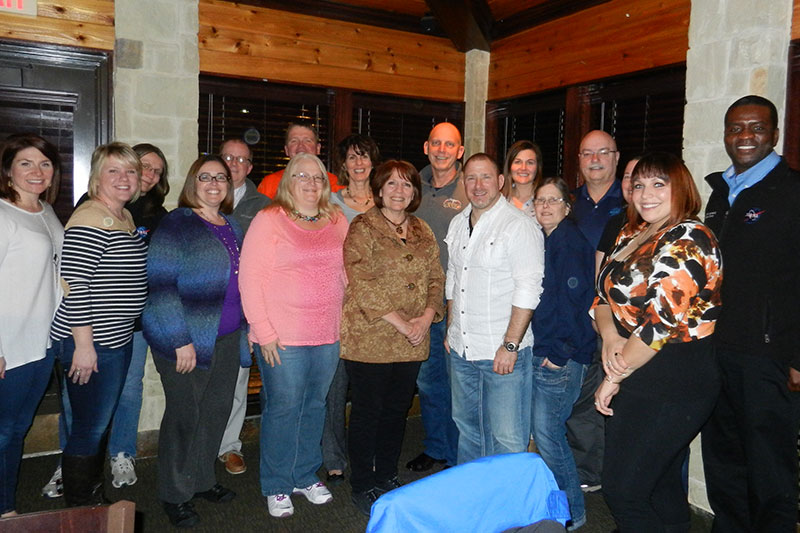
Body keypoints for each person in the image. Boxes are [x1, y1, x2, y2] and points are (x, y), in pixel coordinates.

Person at [593, 152, 722, 532]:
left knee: (623, 492)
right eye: (638, 185)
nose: (645, 194)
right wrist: (610, 336)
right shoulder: (631, 233)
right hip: (637, 365)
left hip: (677, 376)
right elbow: (600, 296)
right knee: (660, 483)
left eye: (658, 184)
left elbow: (658, 325)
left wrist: (613, 376)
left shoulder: (690, 237)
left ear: (680, 188)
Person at [701, 95, 800, 532]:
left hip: (767, 357)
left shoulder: (792, 191)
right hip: (714, 351)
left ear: (774, 134)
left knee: (770, 469)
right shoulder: (720, 194)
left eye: (756, 127)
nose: (745, 137)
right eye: (736, 128)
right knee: (723, 461)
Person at [240, 152, 348, 518]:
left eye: (318, 177)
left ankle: (304, 474)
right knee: (284, 409)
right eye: (302, 175)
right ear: (288, 180)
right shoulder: (270, 219)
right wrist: (262, 331)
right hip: (283, 336)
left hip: (328, 333)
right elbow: (249, 279)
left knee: (315, 406)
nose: (311, 183)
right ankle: (276, 483)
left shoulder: (336, 219)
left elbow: (346, 272)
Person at [143, 154, 245, 528]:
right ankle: (174, 493)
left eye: (221, 177)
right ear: (192, 183)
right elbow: (160, 285)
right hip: (183, 339)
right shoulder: (177, 223)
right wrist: (179, 339)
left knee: (215, 411)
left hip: (227, 335)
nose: (214, 183)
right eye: (205, 177)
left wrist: (245, 332)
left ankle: (202, 480)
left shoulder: (230, 225)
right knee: (185, 415)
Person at [340, 160, 445, 516]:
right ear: (379, 189)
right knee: (368, 412)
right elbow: (361, 280)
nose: (400, 191)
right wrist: (403, 323)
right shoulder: (363, 226)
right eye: (392, 185)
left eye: (407, 185)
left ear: (415, 191)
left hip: (414, 338)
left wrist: (427, 317)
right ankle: (361, 483)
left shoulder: (422, 229)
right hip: (371, 338)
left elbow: (436, 278)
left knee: (396, 412)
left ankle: (385, 476)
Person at [49, 142, 148, 507]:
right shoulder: (91, 217)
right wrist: (84, 346)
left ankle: (91, 500)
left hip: (116, 340)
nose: (124, 178)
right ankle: (82, 510)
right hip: (92, 343)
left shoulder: (122, 215)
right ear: (96, 177)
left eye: (131, 171)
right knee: (89, 427)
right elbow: (74, 285)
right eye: (114, 171)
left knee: (98, 424)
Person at [445, 153, 544, 464]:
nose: (478, 185)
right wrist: (451, 329)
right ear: (463, 183)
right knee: (469, 431)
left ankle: (510, 511)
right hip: (463, 351)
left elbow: (529, 290)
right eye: (471, 178)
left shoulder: (519, 225)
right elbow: (454, 279)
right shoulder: (458, 222)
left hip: (502, 353)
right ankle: (476, 505)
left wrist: (510, 345)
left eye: (486, 177)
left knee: (508, 438)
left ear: (501, 182)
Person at [0, 134, 64, 518]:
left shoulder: (45, 211)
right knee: (6, 430)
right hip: (10, 343)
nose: (37, 171)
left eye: (44, 164)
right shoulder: (3, 214)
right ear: (8, 171)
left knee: (17, 428)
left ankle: (6, 503)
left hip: (42, 342)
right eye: (26, 163)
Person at [530, 177, 595, 531]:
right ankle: (559, 508)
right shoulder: (546, 239)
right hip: (547, 352)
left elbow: (578, 304)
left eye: (553, 200)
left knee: (550, 437)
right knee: (547, 436)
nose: (545, 206)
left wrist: (559, 353)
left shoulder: (570, 242)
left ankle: (573, 514)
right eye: (540, 200)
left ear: (567, 207)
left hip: (562, 358)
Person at [106, 142, 170, 488]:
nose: (150, 175)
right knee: (81, 391)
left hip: (138, 319)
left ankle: (122, 453)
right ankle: (70, 459)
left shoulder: (157, 215)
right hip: (99, 317)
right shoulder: (97, 206)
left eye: (157, 171)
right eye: (145, 166)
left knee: (130, 387)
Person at [405, 122, 466, 473]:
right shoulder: (412, 186)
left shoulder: (470, 187)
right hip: (421, 306)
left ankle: (459, 456)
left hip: (457, 304)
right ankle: (437, 447)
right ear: (426, 146)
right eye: (436, 143)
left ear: (459, 151)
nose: (442, 150)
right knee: (428, 383)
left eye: (450, 144)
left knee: (458, 383)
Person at [566, 130, 624, 493]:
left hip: (618, 320)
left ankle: (612, 476)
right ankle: (588, 472)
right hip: (574, 317)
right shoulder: (570, 201)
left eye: (603, 152)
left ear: (616, 157)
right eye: (587, 153)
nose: (595, 160)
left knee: (616, 399)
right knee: (580, 399)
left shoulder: (634, 200)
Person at [324, 134, 380, 487]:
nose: (358, 163)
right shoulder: (328, 203)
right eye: (351, 158)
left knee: (368, 388)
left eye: (364, 157)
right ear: (343, 165)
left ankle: (367, 451)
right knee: (333, 387)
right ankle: (333, 456)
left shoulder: (389, 198)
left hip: (377, 312)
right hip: (337, 306)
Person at [216, 138, 270, 477]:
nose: (234, 163)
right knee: (202, 383)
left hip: (243, 308)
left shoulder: (263, 205)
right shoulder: (197, 199)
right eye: (228, 157)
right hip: (205, 309)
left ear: (250, 167)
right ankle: (199, 445)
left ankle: (229, 447)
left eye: (242, 158)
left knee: (237, 381)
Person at [257, 122, 343, 198]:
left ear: (318, 148)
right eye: (294, 141)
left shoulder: (334, 183)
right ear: (286, 150)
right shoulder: (269, 183)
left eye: (307, 141)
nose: (301, 146)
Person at [595, 156, 640, 274]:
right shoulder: (615, 222)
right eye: (627, 176)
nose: (632, 183)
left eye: (637, 177)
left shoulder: (663, 226)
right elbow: (597, 274)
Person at [502, 140, 543, 217]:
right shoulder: (499, 201)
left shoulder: (545, 201)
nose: (523, 168)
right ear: (509, 166)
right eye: (518, 162)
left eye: (530, 162)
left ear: (537, 168)